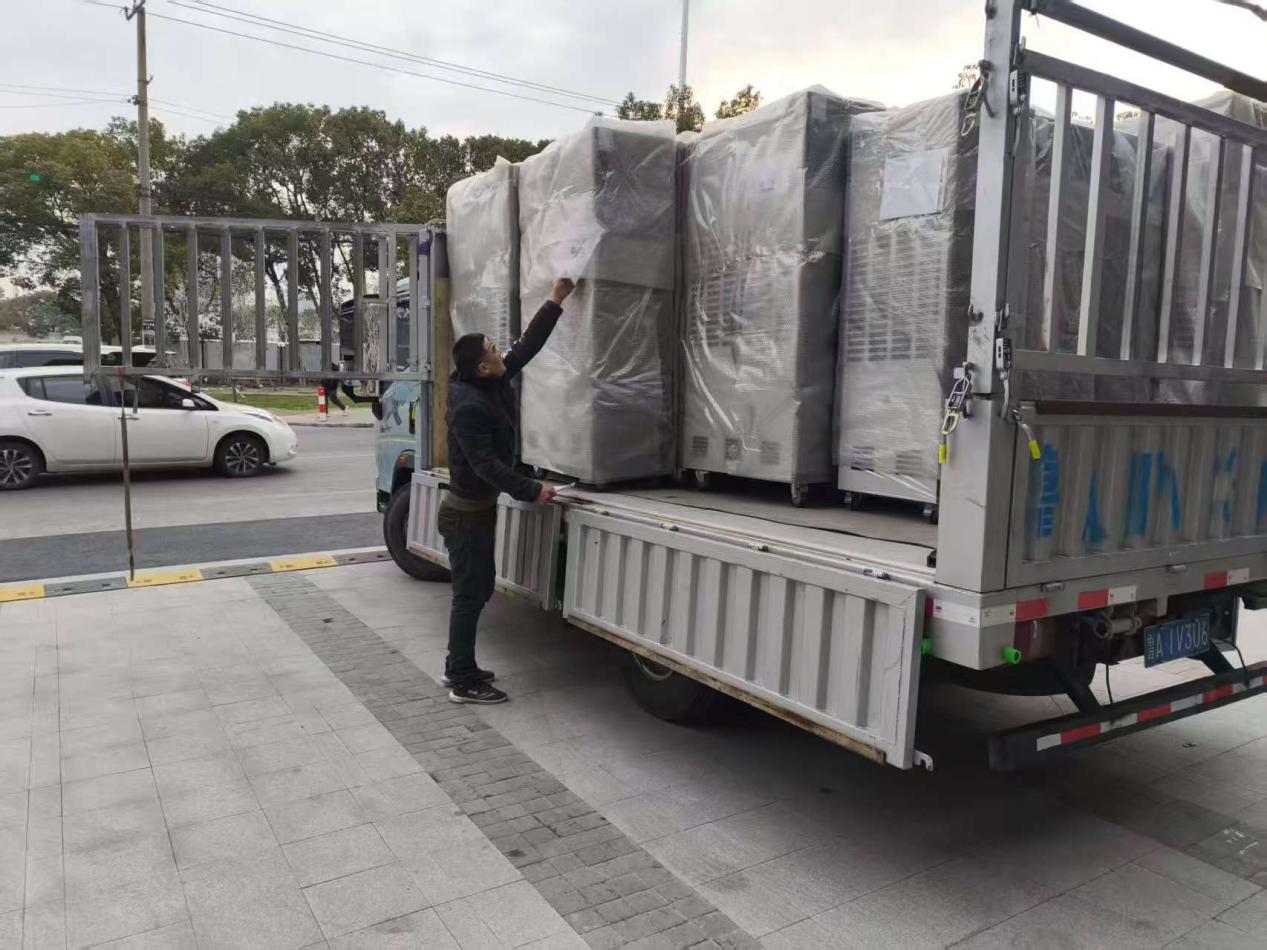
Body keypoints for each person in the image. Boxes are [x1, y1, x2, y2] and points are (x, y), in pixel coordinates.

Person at [438, 276, 576, 703]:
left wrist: (555, 299)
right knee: (469, 595)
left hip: (477, 511)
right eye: (493, 351)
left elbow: (526, 347)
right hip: (464, 516)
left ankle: (460, 666)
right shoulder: (469, 406)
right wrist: (532, 489)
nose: (501, 353)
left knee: (478, 589)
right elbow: (486, 465)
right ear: (483, 367)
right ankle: (461, 678)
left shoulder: (488, 382)